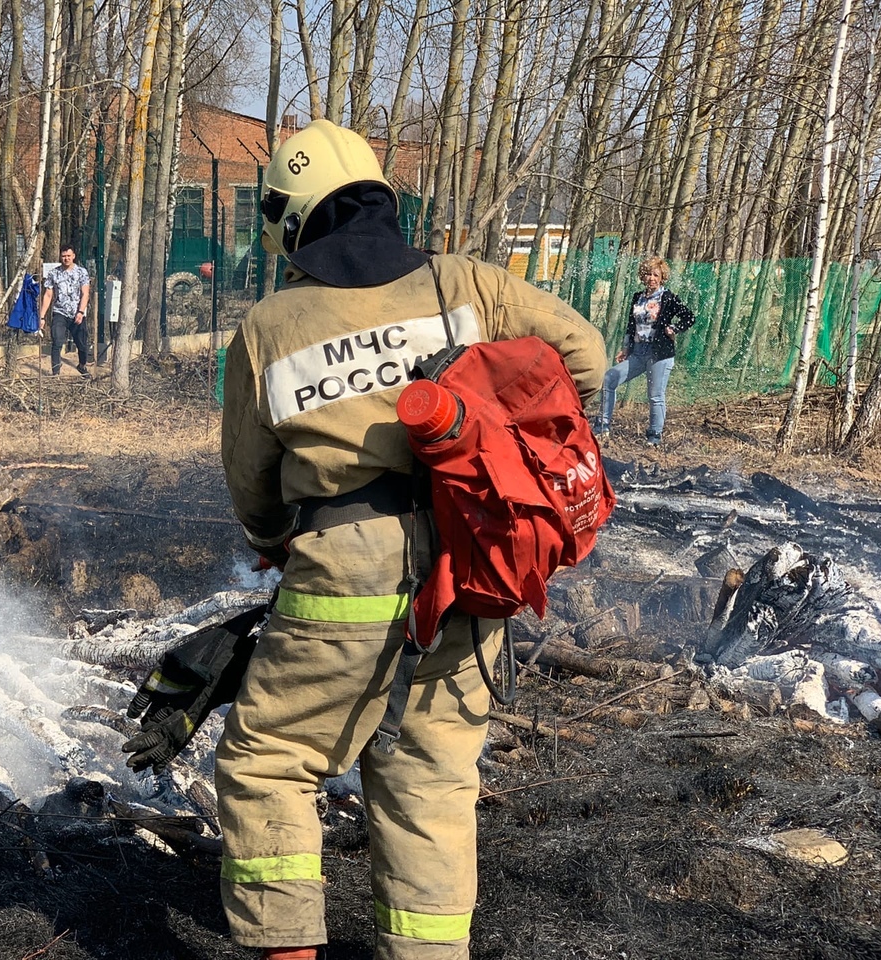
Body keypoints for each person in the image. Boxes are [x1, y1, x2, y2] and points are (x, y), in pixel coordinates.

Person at [217, 119, 607, 960]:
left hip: (342, 564)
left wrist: (276, 538)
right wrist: (494, 428)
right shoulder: (469, 284)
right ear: (382, 196)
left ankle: (287, 947)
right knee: (430, 783)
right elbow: (585, 357)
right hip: (472, 558)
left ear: (289, 219)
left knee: (271, 762)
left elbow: (251, 481)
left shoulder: (271, 324)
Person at [593, 255, 696, 447]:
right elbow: (631, 326)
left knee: (655, 396)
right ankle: (602, 427)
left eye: (656, 275)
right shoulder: (637, 298)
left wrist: (674, 329)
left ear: (662, 277)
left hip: (660, 354)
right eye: (648, 274)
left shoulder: (668, 297)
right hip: (638, 352)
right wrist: (626, 348)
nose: (651, 278)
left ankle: (654, 436)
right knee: (609, 378)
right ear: (643, 276)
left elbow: (689, 317)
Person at [39, 244, 92, 378]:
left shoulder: (82, 272)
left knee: (82, 345)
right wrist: (42, 316)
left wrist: (80, 312)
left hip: (77, 313)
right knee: (57, 341)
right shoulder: (54, 273)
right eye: (63, 256)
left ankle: (82, 365)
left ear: (73, 256)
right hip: (59, 313)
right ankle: (55, 372)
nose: (66, 258)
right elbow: (48, 295)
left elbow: (85, 294)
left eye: (68, 256)